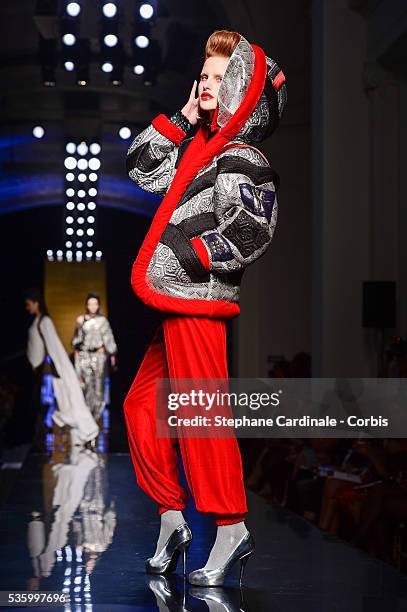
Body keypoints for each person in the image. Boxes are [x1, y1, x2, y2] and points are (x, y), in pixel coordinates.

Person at [123, 30, 287, 586]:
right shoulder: (198, 150)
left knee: (201, 417)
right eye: (205, 75)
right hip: (173, 305)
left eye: (221, 78)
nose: (209, 84)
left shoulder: (243, 156)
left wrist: (193, 256)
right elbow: (142, 169)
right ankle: (173, 518)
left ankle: (232, 525)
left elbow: (251, 227)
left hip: (199, 305)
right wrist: (183, 114)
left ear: (242, 88)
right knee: (141, 409)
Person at [25, 289, 99, 446]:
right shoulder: (38, 321)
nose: (27, 307)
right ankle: (80, 433)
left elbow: (54, 347)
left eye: (29, 304)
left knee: (70, 400)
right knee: (64, 402)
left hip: (51, 368)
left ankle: (86, 432)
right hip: (40, 368)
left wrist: (59, 367)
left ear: (36, 303)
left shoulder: (44, 322)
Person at [72, 293, 117, 421]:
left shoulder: (103, 321)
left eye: (95, 303)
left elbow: (109, 339)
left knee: (98, 388)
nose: (92, 306)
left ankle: (96, 420)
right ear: (87, 305)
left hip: (99, 357)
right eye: (90, 303)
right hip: (84, 357)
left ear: (98, 305)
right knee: (86, 387)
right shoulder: (81, 320)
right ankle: (87, 420)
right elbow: (76, 341)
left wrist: (112, 353)